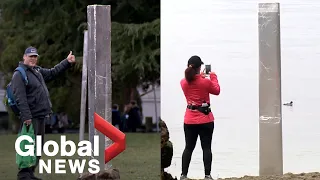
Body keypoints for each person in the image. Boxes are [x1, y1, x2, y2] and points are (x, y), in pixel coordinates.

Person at [11, 46, 76, 180]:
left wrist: (66, 62)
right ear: (24, 57)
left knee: (38, 147)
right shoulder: (19, 74)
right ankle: (23, 175)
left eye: (35, 57)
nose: (33, 59)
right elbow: (20, 97)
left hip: (40, 115)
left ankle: (30, 173)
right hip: (31, 117)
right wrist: (26, 116)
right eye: (30, 56)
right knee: (28, 145)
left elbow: (53, 72)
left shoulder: (37, 71)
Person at [179, 55, 220, 180]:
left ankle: (183, 175)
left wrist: (199, 76)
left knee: (188, 148)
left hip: (189, 120)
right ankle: (207, 176)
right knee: (206, 148)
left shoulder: (183, 82)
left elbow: (194, 83)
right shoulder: (205, 81)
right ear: (199, 68)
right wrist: (213, 76)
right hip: (205, 119)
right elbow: (217, 90)